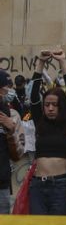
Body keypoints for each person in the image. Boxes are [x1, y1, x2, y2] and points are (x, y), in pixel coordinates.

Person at [28, 50, 66, 215]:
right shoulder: (40, 122)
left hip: (61, 185)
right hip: (37, 185)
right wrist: (40, 63)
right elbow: (33, 95)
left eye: (55, 105)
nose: (50, 108)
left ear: (62, 106)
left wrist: (63, 62)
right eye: (47, 104)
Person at [0, 70, 23, 214]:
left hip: (2, 185)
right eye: (5, 87)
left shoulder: (10, 114)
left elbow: (17, 155)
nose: (8, 90)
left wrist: (11, 131)